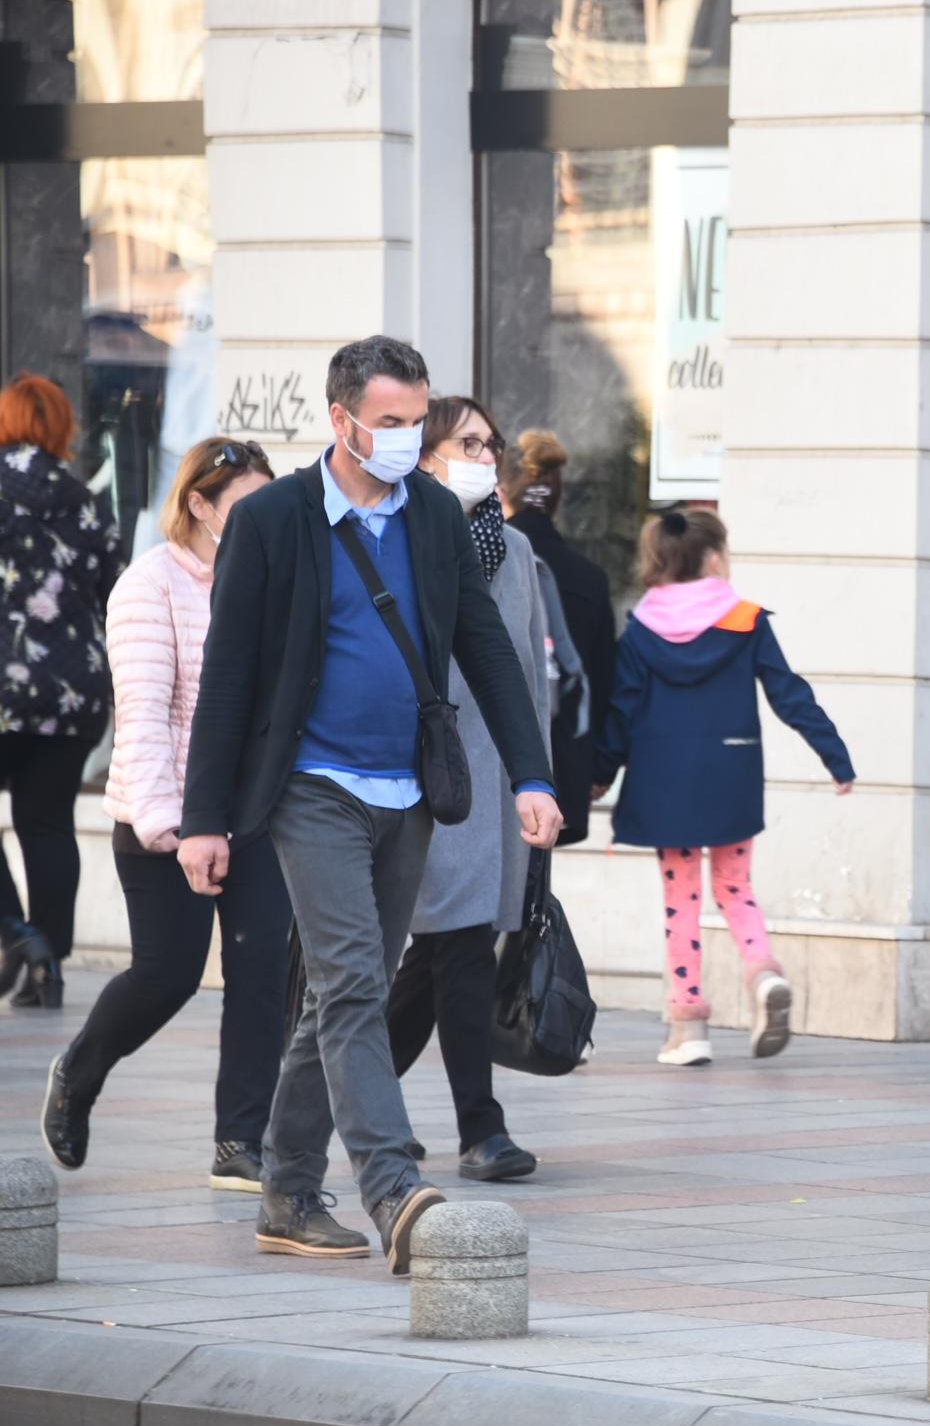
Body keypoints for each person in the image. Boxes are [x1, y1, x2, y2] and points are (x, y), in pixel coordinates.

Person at [178, 335, 562, 1274]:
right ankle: (391, 1189)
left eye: (413, 422)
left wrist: (533, 775)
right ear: (340, 419)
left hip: (411, 791)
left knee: (341, 995)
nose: (403, 438)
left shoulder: (431, 514)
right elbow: (227, 678)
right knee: (352, 984)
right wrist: (202, 818)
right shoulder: (272, 522)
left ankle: (288, 1192)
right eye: (388, 422)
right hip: (311, 788)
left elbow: (486, 649)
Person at [39, 439, 289, 1192]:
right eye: (243, 508)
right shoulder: (148, 586)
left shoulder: (272, 581)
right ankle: (80, 1071)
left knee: (261, 978)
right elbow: (143, 716)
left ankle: (239, 1142)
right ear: (199, 506)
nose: (260, 523)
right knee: (168, 975)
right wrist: (163, 824)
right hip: (167, 815)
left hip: (258, 814)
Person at [599, 510, 853, 1067]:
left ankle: (687, 1024)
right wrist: (835, 758)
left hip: (664, 781)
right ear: (713, 558)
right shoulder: (745, 620)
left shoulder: (642, 628)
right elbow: (790, 694)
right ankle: (762, 973)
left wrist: (600, 773)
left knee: (680, 898)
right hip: (732, 774)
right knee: (735, 886)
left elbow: (621, 710)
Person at [382, 396, 551, 1183]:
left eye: (491, 443)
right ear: (424, 456)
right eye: (467, 442)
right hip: (422, 773)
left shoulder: (516, 552)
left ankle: (332, 1096)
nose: (484, 456)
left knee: (446, 951)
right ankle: (481, 1128)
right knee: (455, 946)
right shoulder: (393, 540)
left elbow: (528, 677)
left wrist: (539, 779)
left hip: (497, 782)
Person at [0, 372, 124, 1008]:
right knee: (48, 824)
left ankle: (16, 934)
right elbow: (116, 592)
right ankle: (49, 962)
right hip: (76, 688)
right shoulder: (85, 501)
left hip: (5, 684)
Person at [502, 430, 615, 847]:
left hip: (499, 766)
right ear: (558, 499)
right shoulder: (590, 577)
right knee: (537, 895)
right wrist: (600, 766)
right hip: (566, 764)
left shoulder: (485, 562)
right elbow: (603, 682)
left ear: (501, 491)